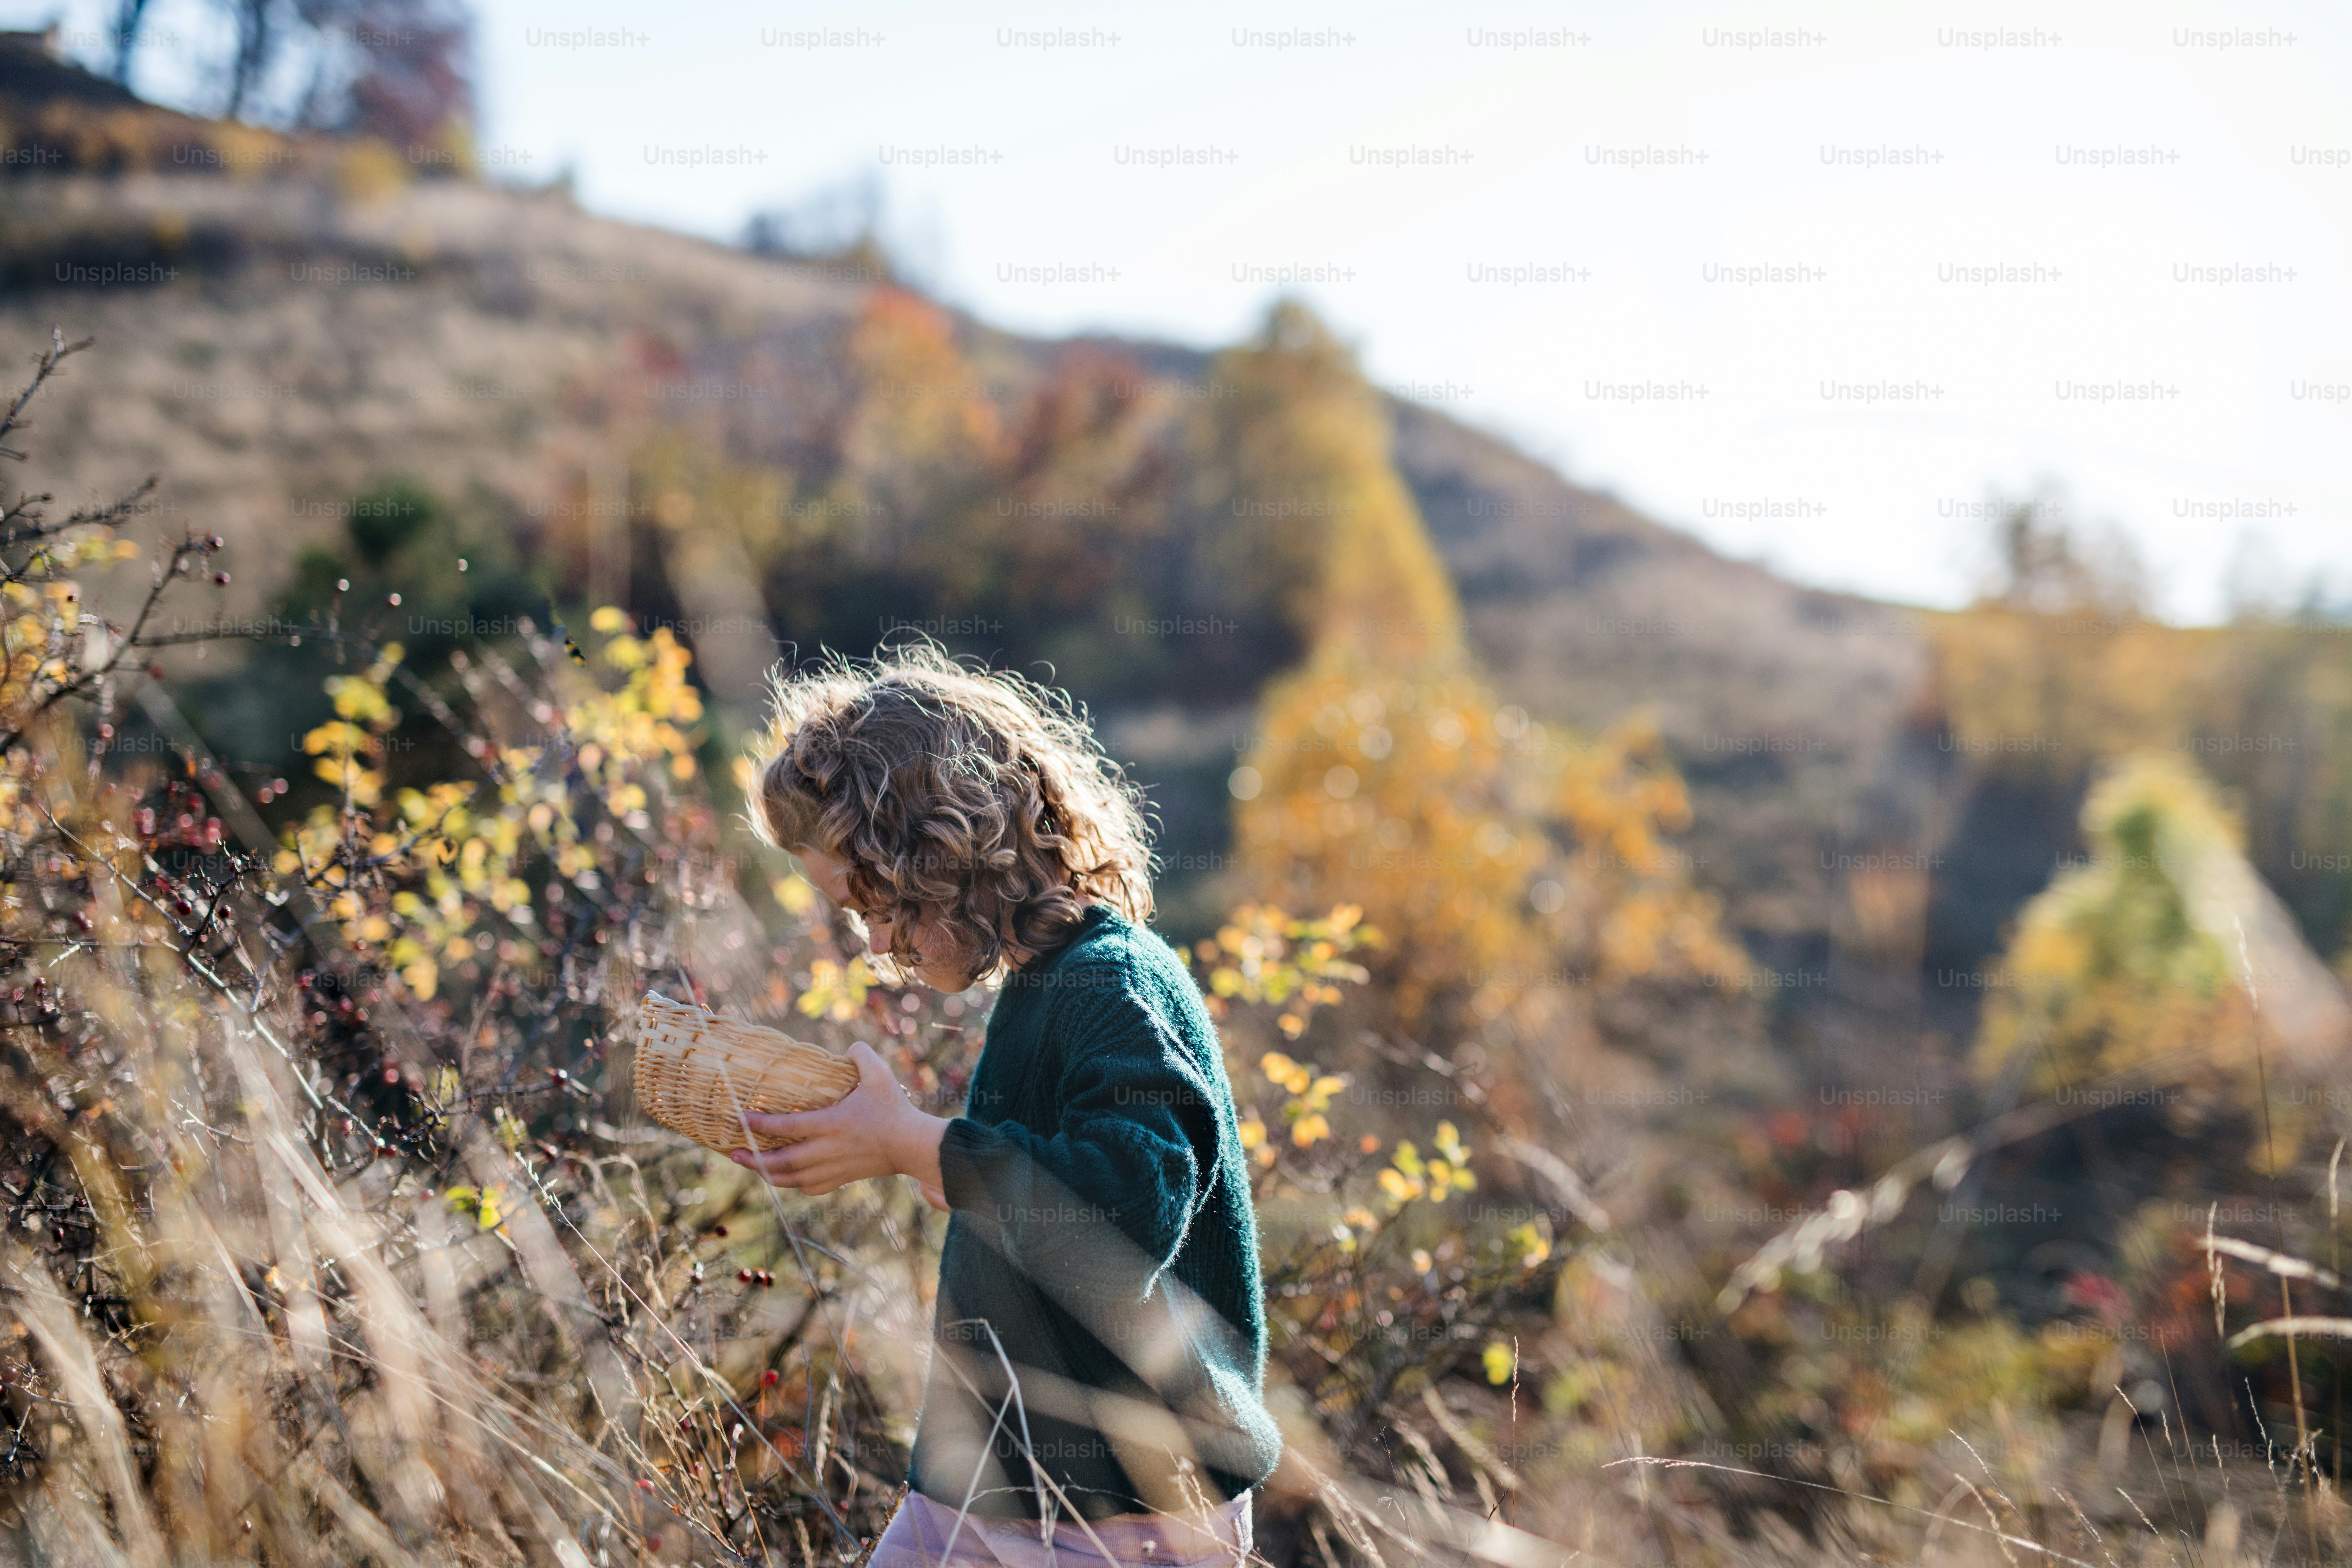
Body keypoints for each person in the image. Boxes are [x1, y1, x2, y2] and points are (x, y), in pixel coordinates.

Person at [732, 644, 1277, 1566]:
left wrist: (916, 1144)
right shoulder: (1044, 988)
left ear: (941, 854)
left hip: (1120, 1515)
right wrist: (899, 1148)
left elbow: (1123, 1215)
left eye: (873, 905)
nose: (873, 944)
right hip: (990, 1490)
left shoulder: (1110, 984)